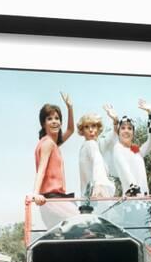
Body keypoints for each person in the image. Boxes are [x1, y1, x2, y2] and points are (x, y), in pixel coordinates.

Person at [32, 92, 79, 229]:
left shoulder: (53, 144)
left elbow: (70, 130)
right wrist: (35, 193)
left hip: (55, 200)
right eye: (49, 118)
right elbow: (41, 170)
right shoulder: (47, 144)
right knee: (84, 222)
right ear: (43, 123)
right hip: (52, 199)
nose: (54, 121)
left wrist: (70, 107)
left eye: (57, 118)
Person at [100, 99, 151, 196]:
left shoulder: (137, 152)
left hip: (145, 200)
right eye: (123, 128)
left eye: (130, 128)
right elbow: (111, 141)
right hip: (131, 199)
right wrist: (115, 121)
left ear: (133, 132)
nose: (126, 131)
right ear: (118, 132)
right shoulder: (117, 148)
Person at [77, 109, 117, 198]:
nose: (91, 130)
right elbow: (97, 162)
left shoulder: (92, 145)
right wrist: (99, 184)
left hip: (87, 198)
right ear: (82, 130)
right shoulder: (91, 144)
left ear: (98, 128)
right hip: (97, 194)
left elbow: (111, 138)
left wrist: (115, 121)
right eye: (86, 127)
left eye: (93, 126)